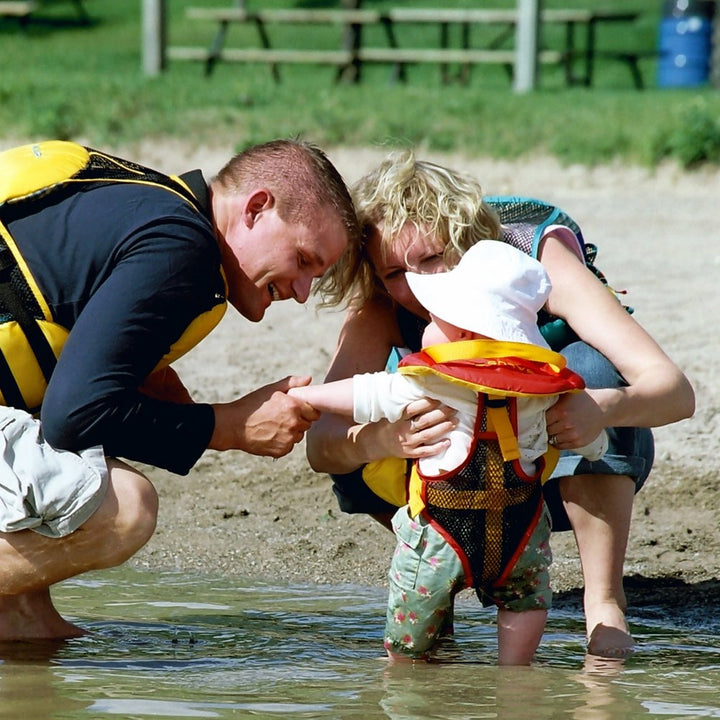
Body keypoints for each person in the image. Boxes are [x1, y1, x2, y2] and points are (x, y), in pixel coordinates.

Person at [307, 150, 695, 659]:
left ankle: (603, 601)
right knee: (370, 408)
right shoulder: (382, 301)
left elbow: (675, 391)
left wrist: (601, 409)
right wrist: (384, 439)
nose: (418, 286)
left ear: (470, 243)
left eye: (431, 258)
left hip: (556, 465)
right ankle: (438, 577)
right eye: (395, 272)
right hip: (450, 489)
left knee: (589, 367)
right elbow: (321, 445)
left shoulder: (536, 259)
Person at [0, 138, 358, 641]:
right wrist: (230, 426)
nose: (301, 293)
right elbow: (73, 415)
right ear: (256, 208)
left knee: (32, 622)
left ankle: (16, 625)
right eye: (303, 260)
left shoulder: (156, 204)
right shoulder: (181, 249)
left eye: (314, 278)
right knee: (123, 508)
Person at [293, 240, 608, 664]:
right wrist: (597, 443)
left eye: (433, 318)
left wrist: (307, 397)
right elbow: (588, 444)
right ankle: (515, 675)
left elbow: (365, 393)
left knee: (410, 640)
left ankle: (406, 677)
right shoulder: (543, 393)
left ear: (461, 332)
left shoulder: (428, 381)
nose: (423, 326)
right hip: (519, 538)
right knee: (526, 601)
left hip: (440, 543)